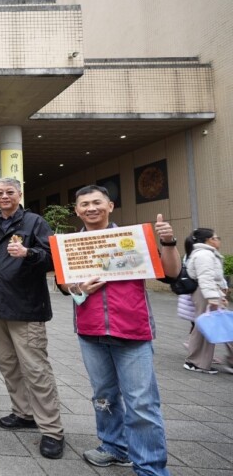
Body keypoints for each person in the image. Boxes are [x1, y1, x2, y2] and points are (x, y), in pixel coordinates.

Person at [58, 185, 180, 475]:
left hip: (132, 331)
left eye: (97, 202)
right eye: (84, 204)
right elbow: (64, 285)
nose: (91, 208)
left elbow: (172, 273)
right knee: (103, 396)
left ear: (110, 206)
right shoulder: (71, 244)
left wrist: (169, 242)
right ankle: (113, 447)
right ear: (77, 210)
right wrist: (77, 288)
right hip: (90, 332)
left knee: (142, 404)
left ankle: (150, 468)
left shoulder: (132, 240)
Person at [0, 177, 64, 459]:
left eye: (10, 192)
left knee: (36, 369)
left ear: (19, 194)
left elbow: (53, 257)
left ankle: (52, 430)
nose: (4, 196)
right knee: (8, 365)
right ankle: (23, 412)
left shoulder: (34, 222)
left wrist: (28, 253)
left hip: (27, 307)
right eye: (0, 193)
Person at [183, 228, 232, 374]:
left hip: (207, 292)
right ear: (208, 240)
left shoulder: (205, 253)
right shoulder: (204, 255)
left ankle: (197, 361)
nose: (218, 240)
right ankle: (196, 362)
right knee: (206, 326)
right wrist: (212, 298)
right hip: (206, 293)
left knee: (207, 325)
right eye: (216, 238)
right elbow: (206, 277)